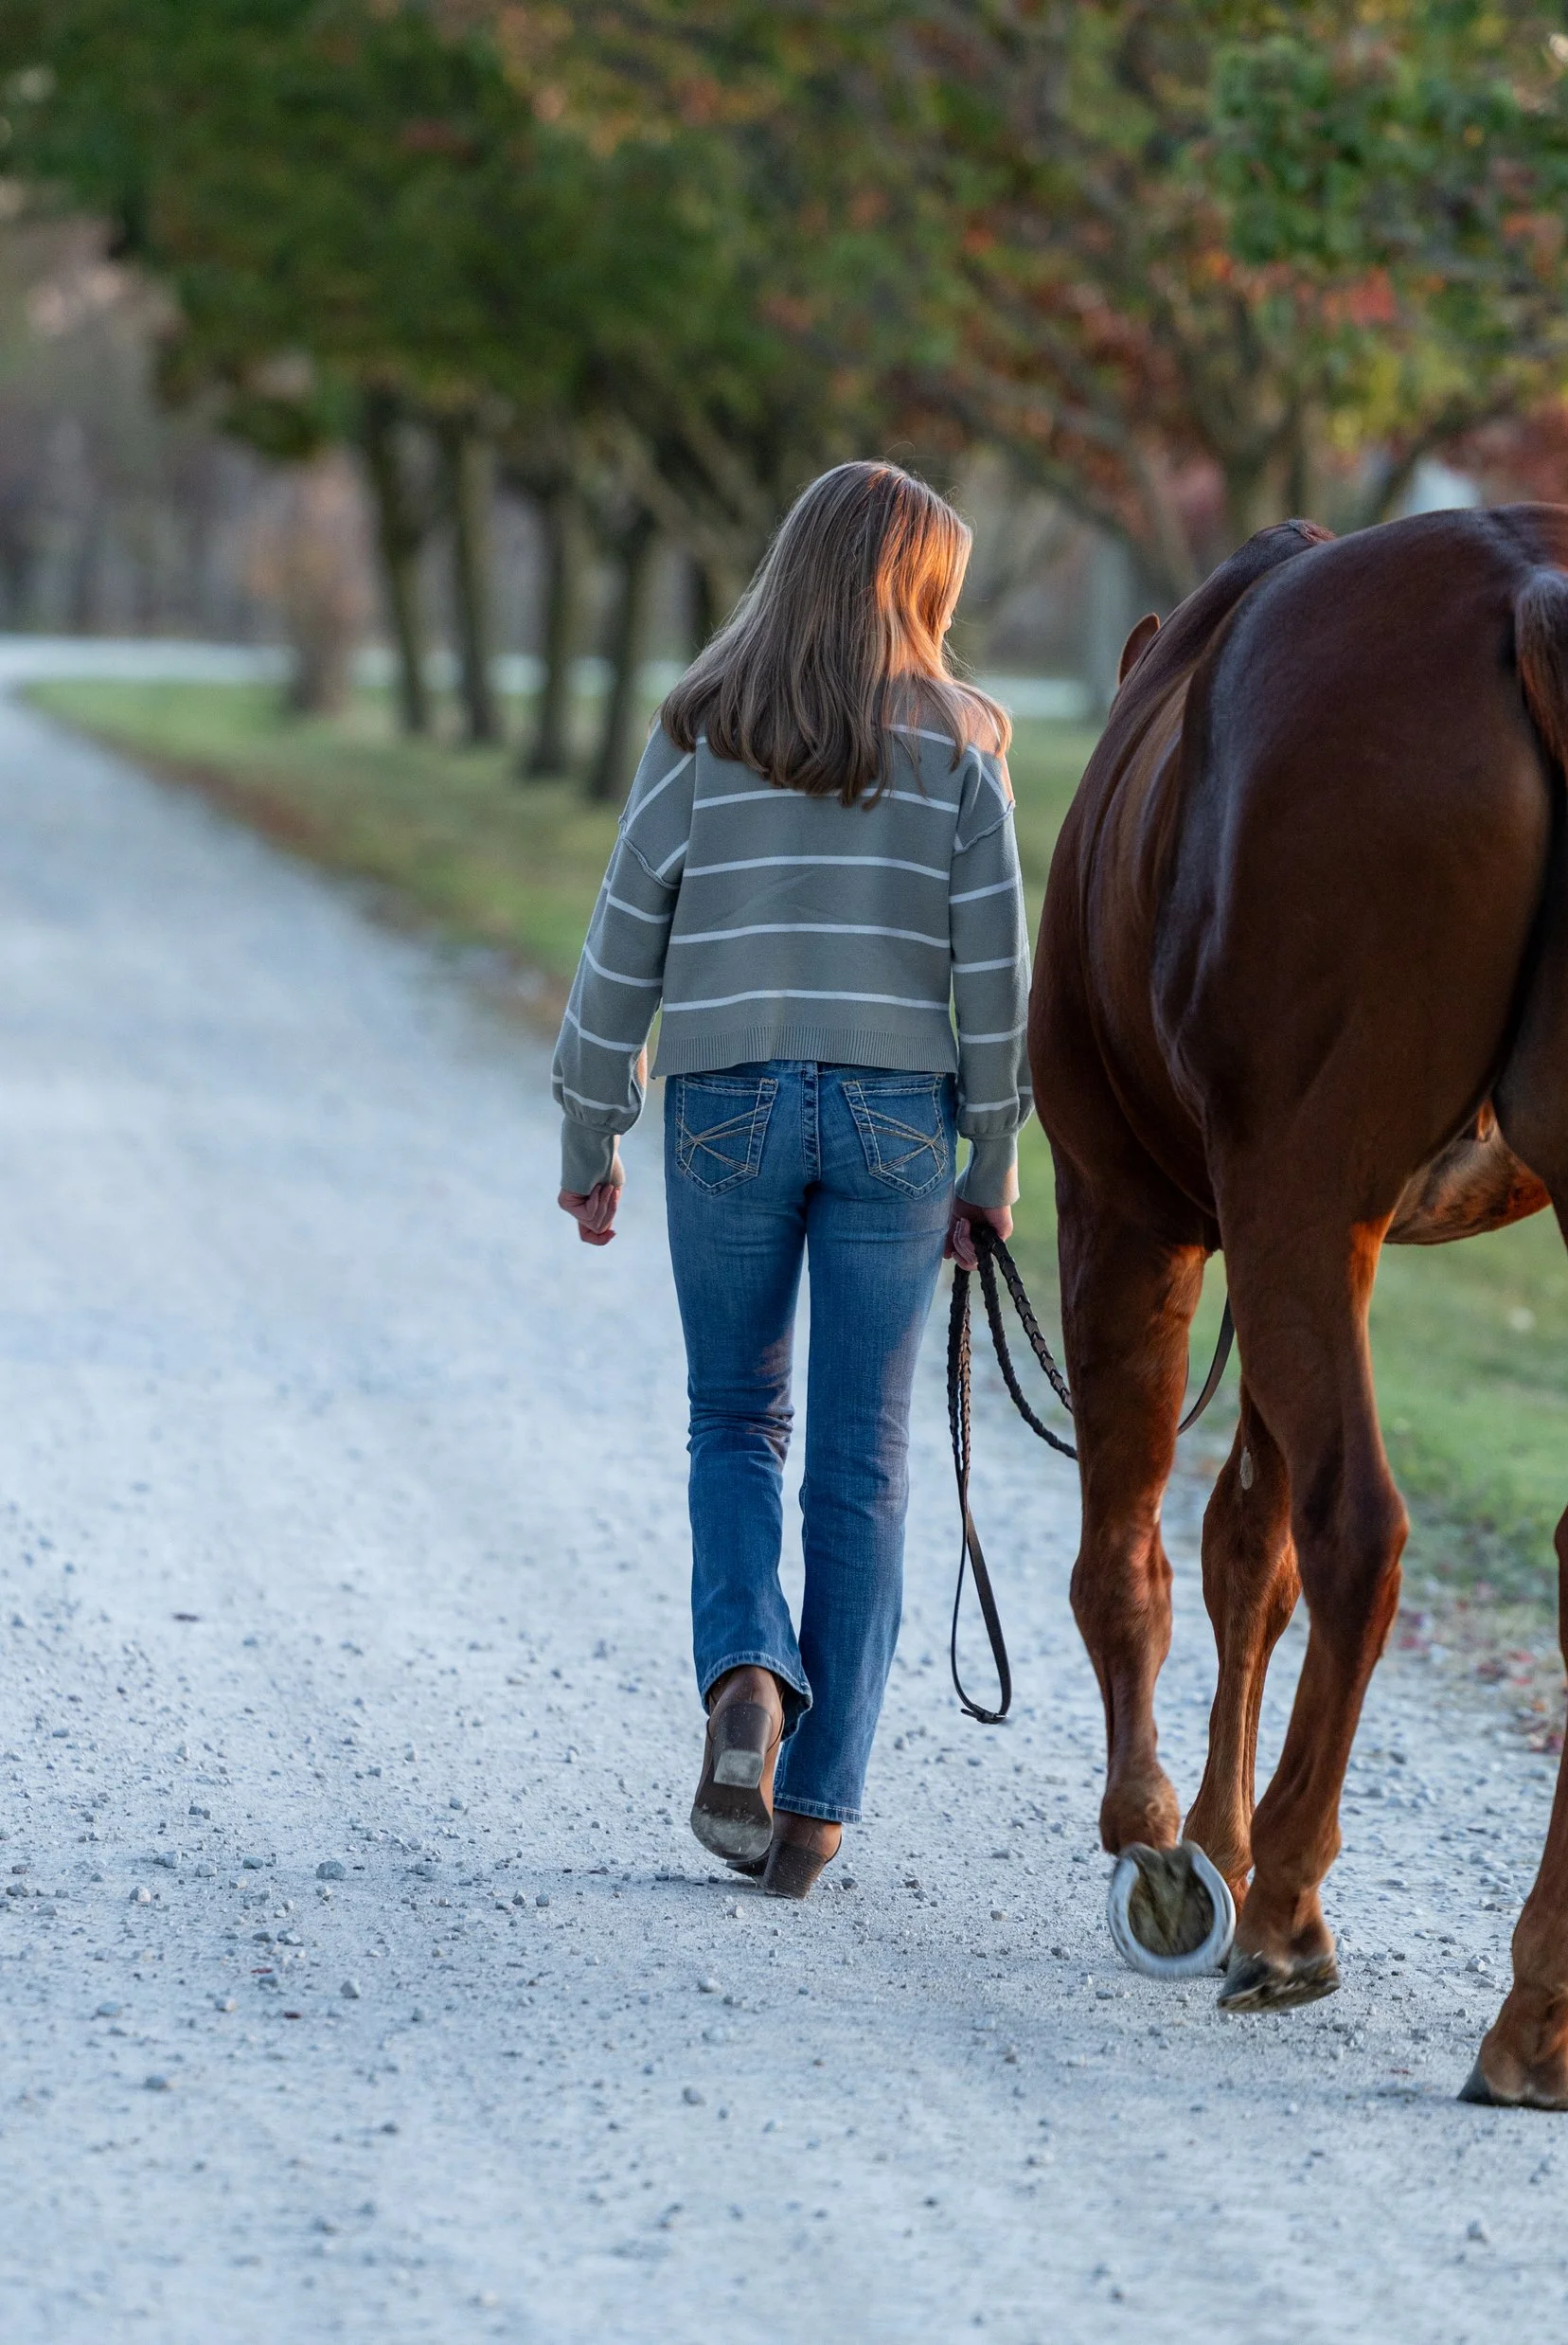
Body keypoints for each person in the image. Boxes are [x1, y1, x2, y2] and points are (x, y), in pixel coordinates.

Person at [549, 460, 1029, 1898]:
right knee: (865, 1464)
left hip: (722, 1104)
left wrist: (590, 1131)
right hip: (894, 1118)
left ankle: (748, 1672)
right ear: (914, 589)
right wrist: (994, 1155)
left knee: (735, 1419)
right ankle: (815, 1811)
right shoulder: (964, 742)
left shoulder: (705, 724)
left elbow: (624, 931)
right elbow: (996, 975)